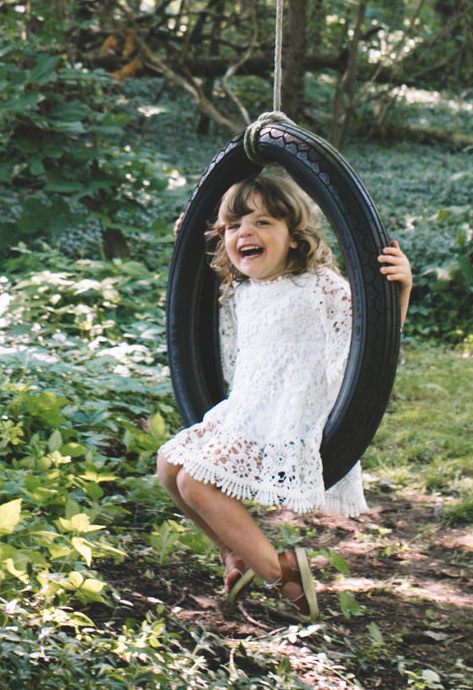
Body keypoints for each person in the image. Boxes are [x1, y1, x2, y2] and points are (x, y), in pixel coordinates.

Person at [155, 169, 411, 618]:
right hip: (248, 413)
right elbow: (205, 267)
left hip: (291, 420)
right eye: (234, 227)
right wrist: (190, 236)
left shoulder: (320, 286)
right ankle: (237, 554)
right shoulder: (243, 287)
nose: (245, 234)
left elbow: (372, 339)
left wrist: (400, 289)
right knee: (169, 465)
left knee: (196, 482)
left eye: (262, 223)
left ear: (295, 236)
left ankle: (282, 572)